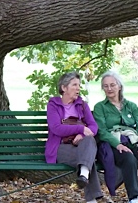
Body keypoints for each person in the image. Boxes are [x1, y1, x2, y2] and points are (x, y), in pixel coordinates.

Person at [93, 71, 138, 203]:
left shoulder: (131, 106)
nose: (109, 89)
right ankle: (133, 198)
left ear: (119, 86)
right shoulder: (100, 107)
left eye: (112, 85)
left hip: (133, 142)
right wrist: (117, 144)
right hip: (112, 145)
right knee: (129, 159)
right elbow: (102, 131)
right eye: (105, 86)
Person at [46, 71, 103, 203]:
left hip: (81, 145)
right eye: (74, 85)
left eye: (79, 85)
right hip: (60, 147)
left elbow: (93, 126)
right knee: (87, 159)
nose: (78, 88)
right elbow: (56, 128)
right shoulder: (53, 105)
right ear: (64, 88)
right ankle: (90, 195)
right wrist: (81, 128)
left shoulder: (82, 105)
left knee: (89, 140)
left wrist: (82, 134)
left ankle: (84, 175)